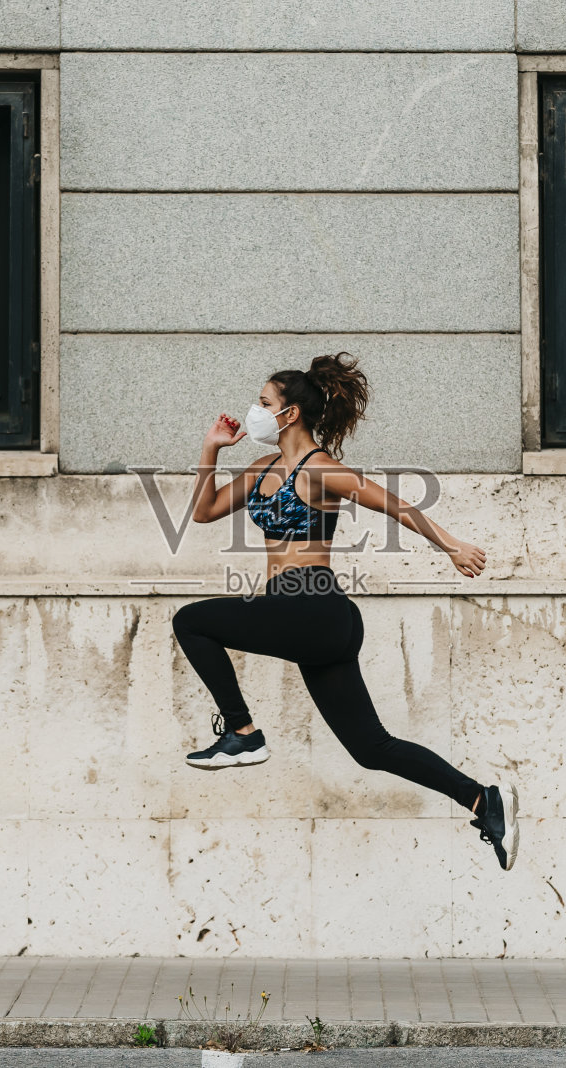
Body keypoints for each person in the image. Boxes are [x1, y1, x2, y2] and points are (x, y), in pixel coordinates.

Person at [171, 351, 518, 871]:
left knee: (191, 620)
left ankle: (242, 733)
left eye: (264, 402)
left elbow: (395, 504)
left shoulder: (321, 470)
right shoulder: (262, 468)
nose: (254, 411)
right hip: (300, 618)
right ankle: (481, 800)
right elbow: (203, 513)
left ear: (289, 414)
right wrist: (210, 449)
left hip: (313, 608)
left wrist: (451, 546)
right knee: (371, 748)